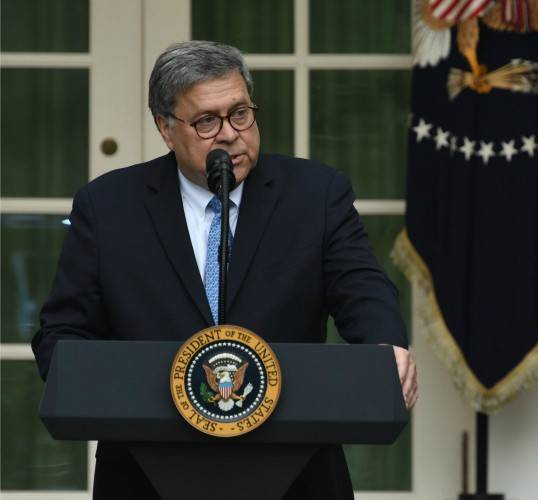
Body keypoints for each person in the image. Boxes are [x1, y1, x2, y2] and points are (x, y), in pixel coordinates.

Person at [32, 40, 418, 500]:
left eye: (240, 114)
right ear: (165, 128)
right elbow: (63, 332)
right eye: (206, 122)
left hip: (296, 474)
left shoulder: (316, 195)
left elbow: (363, 289)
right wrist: (99, 383)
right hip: (145, 476)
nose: (230, 134)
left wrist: (384, 344)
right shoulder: (108, 206)